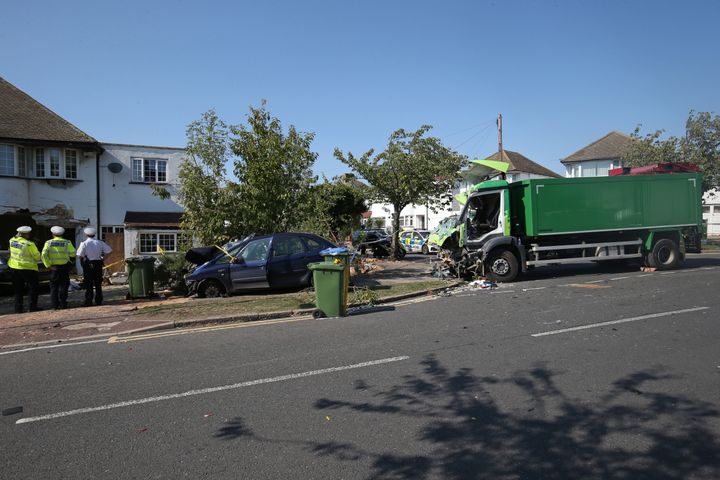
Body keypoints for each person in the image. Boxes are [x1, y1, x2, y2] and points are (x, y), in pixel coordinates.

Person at [8, 226, 42, 313]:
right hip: (28, 268)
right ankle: (32, 307)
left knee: (18, 289)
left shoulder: (12, 240)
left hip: (14, 267)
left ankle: (18, 309)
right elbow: (37, 257)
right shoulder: (29, 244)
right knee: (32, 288)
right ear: (27, 234)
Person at [41, 226, 76, 310]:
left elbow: (43, 255)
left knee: (54, 287)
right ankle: (63, 304)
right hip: (64, 268)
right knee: (64, 286)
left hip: (54, 268)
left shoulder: (48, 243)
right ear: (62, 234)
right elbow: (73, 254)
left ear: (53, 234)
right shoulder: (67, 242)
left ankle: (54, 305)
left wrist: (48, 265)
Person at [76, 227, 112, 307]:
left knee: (89, 283)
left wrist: (83, 261)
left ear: (86, 235)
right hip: (98, 263)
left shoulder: (84, 243)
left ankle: (88, 301)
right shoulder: (100, 242)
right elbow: (109, 251)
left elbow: (80, 255)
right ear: (94, 234)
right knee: (98, 283)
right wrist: (103, 259)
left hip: (88, 264)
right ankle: (99, 300)